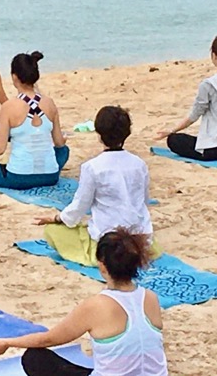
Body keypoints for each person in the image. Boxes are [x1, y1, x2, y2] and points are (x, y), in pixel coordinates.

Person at [0, 228, 168, 376]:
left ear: (102, 266)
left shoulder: (97, 305)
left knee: (35, 358)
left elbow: (48, 339)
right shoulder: (151, 298)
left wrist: (7, 342)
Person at [36, 106, 159, 267]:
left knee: (52, 231)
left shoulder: (92, 167)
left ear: (99, 135)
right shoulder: (139, 164)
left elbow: (80, 206)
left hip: (109, 240)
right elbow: (144, 200)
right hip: (139, 235)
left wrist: (57, 218)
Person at [0, 51, 69, 190]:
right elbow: (60, 143)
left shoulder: (8, 107)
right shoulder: (49, 103)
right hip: (50, 176)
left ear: (14, 77)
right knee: (64, 151)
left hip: (19, 178)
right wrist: (62, 139)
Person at [155, 34, 217, 161]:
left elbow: (193, 116)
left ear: (214, 55)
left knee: (174, 140)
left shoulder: (208, 85)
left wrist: (171, 130)